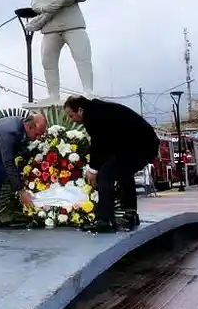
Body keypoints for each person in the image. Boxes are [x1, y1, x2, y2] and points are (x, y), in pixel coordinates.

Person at [63, 95, 160, 233]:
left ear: (80, 110)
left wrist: (93, 169)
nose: (71, 120)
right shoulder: (97, 110)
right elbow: (104, 141)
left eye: (71, 115)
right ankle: (130, 214)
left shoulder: (92, 114)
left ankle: (105, 221)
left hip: (140, 145)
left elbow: (100, 144)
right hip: (142, 144)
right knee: (123, 172)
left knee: (105, 175)